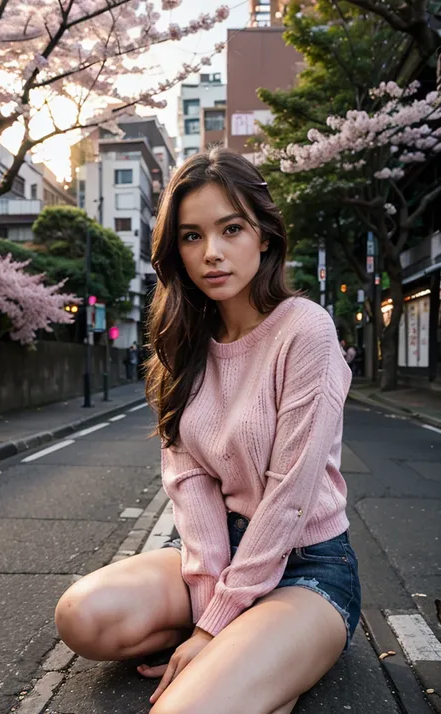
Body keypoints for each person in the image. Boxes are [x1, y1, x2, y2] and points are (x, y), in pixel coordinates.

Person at [55, 148, 361, 714]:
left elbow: (290, 495)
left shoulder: (305, 329)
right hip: (215, 552)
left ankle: (266, 656)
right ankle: (251, 662)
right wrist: (208, 612)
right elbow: (188, 482)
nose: (212, 253)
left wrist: (213, 629)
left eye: (232, 229)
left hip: (307, 565)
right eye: (192, 236)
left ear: (264, 236)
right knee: (82, 617)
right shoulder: (181, 344)